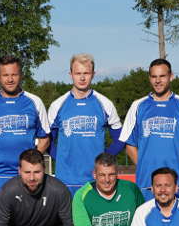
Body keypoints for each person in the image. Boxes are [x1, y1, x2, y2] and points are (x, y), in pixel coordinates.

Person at [0, 55, 50, 220]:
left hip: (25, 177)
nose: (10, 79)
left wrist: (30, 165)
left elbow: (44, 139)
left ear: (21, 75)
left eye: (14, 74)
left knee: (27, 223)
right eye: (5, 75)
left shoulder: (34, 102)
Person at [119, 58, 179, 201]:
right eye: (154, 76)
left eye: (162, 76)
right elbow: (129, 144)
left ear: (171, 76)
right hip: (147, 183)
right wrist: (144, 166)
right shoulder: (138, 106)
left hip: (178, 183)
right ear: (149, 78)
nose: (158, 81)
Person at [48, 53, 124, 195]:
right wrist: (61, 158)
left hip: (96, 181)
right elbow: (47, 141)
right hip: (65, 181)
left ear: (93, 74)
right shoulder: (58, 105)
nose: (82, 78)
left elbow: (120, 138)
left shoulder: (105, 103)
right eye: (78, 73)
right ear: (70, 74)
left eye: (86, 73)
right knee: (67, 218)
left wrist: (105, 157)